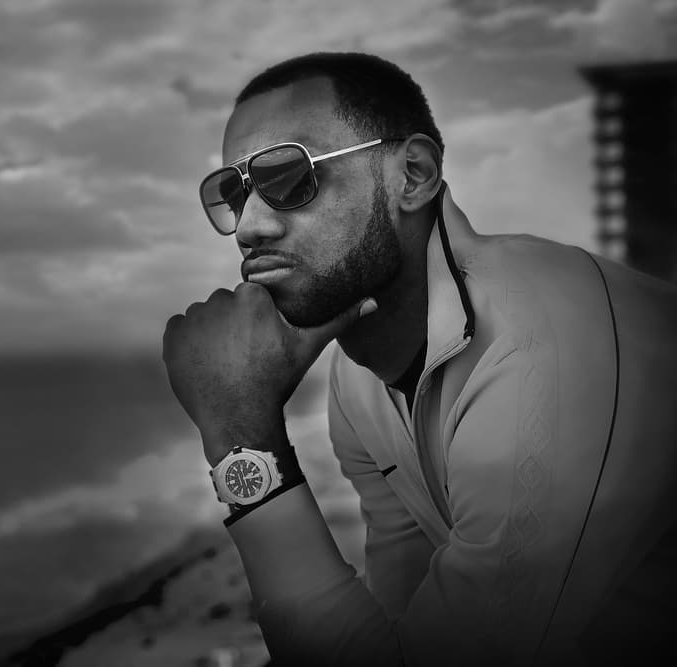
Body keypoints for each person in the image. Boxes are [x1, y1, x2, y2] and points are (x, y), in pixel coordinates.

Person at [162, 52, 677, 666]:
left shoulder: (541, 352)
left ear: (413, 175)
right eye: (233, 191)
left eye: (289, 178)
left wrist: (239, 432)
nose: (249, 227)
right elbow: (399, 619)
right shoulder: (358, 376)